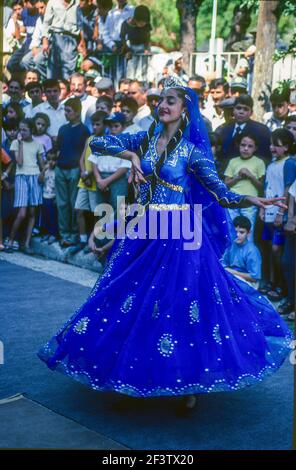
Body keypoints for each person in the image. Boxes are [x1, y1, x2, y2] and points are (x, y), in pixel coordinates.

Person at [38, 77, 292, 413]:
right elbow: (97, 143)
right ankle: (127, 372)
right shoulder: (144, 139)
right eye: (161, 100)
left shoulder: (191, 152)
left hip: (179, 233)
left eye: (171, 100)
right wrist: (129, 154)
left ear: (185, 109)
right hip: (144, 230)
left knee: (178, 304)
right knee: (130, 299)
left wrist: (254, 199)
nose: (163, 105)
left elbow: (221, 193)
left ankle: (186, 380)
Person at [259, 128, 295, 302]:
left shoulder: (289, 163)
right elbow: (267, 187)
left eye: (277, 145)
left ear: (287, 147)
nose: (272, 147)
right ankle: (272, 282)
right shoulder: (271, 164)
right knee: (268, 248)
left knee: (277, 249)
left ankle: (282, 285)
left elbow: (288, 189)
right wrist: (262, 207)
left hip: (280, 213)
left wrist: (282, 211)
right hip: (268, 211)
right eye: (271, 143)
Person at [5, 118, 44, 254]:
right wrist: (21, 144)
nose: (21, 132)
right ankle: (10, 240)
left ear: (31, 130)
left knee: (33, 212)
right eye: (20, 129)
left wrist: (43, 173)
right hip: (21, 177)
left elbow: (41, 163)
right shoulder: (16, 143)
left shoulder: (38, 144)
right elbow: (19, 162)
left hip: (35, 176)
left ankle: (26, 244)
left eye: (24, 130)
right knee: (22, 213)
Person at [55, 97, 90, 247]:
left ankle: (75, 234)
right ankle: (64, 234)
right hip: (60, 168)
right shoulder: (63, 129)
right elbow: (58, 149)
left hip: (75, 169)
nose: (65, 113)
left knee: (74, 203)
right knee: (61, 203)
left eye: (68, 111)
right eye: (65, 110)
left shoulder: (84, 131)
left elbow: (85, 153)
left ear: (77, 113)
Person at [72, 110, 108, 254]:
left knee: (96, 213)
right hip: (84, 180)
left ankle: (94, 241)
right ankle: (82, 240)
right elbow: (82, 159)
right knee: (79, 209)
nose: (94, 127)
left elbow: (97, 163)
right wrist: (83, 173)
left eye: (98, 124)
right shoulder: (90, 138)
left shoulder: (105, 140)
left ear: (104, 125)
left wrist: (89, 174)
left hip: (94, 181)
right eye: (93, 124)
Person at [224, 132, 266, 241]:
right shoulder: (233, 161)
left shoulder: (259, 162)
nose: (246, 149)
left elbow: (261, 186)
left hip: (250, 203)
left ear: (255, 148)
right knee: (231, 230)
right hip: (233, 200)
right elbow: (225, 184)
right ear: (239, 145)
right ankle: (231, 256)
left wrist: (251, 176)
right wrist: (238, 177)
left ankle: (246, 257)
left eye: (250, 146)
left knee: (248, 232)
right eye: (243, 145)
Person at [222, 215, 262, 285]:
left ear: (248, 233)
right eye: (235, 231)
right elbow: (224, 263)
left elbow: (254, 277)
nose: (237, 235)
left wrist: (233, 272)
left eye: (241, 232)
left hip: (248, 283)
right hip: (232, 277)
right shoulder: (230, 245)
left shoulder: (252, 251)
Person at [38, 146, 59, 244]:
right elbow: (40, 180)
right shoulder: (46, 170)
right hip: (44, 196)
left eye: (54, 160)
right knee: (45, 217)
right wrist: (43, 170)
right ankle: (46, 233)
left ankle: (53, 234)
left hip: (53, 197)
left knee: (53, 217)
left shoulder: (57, 171)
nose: (51, 162)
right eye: (49, 159)